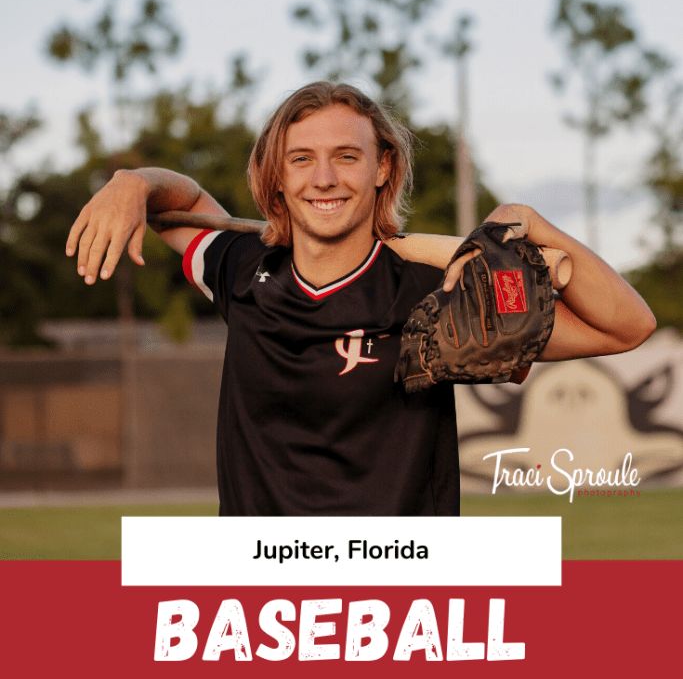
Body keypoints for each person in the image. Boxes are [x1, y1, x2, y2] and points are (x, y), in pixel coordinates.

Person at [66, 82, 656, 515]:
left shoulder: (440, 292)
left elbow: (626, 327)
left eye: (346, 157)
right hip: (259, 602)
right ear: (276, 177)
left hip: (401, 601)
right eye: (302, 159)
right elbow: (188, 201)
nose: (323, 179)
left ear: (382, 168)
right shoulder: (241, 270)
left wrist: (531, 224)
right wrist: (133, 184)